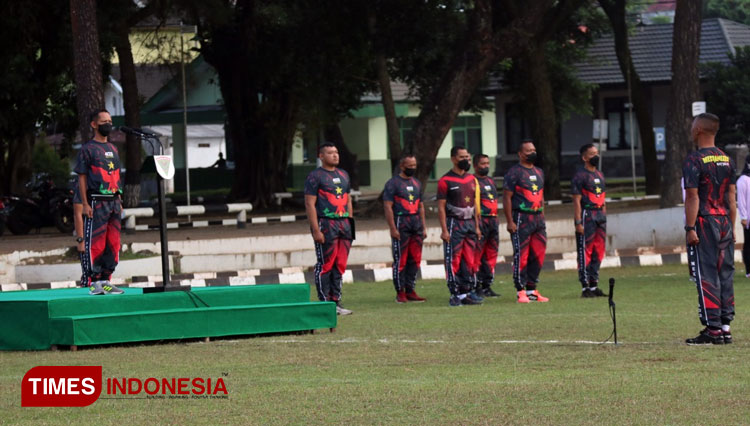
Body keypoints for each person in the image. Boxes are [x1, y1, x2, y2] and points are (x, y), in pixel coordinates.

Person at [683, 113, 736, 345]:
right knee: (726, 273)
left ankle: (712, 328)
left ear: (698, 131)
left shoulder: (694, 160)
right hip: (725, 221)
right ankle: (725, 326)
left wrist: (690, 227)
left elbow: (692, 197)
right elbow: (731, 197)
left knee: (706, 274)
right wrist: (732, 228)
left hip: (705, 222)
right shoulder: (727, 159)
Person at [74, 109, 124, 295]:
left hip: (114, 202)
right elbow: (82, 178)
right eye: (104, 121)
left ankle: (106, 279)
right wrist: (85, 203)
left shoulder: (113, 148)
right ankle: (93, 281)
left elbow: (116, 175)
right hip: (97, 201)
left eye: (110, 121)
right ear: (94, 124)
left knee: (114, 242)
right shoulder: (87, 149)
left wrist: (119, 199)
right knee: (96, 242)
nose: (108, 124)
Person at [304, 142, 354, 315]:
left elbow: (347, 200)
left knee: (340, 264)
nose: (335, 155)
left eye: (337, 152)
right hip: (326, 224)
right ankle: (324, 302)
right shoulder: (315, 176)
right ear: (321, 156)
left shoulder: (344, 175)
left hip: (344, 224)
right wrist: (315, 230)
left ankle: (336, 301)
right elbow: (310, 204)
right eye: (331, 153)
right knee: (326, 264)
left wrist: (350, 220)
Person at [503, 139, 549, 303]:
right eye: (529, 151)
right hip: (521, 217)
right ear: (520, 154)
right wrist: (510, 221)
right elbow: (507, 198)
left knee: (538, 254)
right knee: (521, 255)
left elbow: (541, 194)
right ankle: (520, 290)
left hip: (538, 219)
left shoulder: (539, 172)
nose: (532, 153)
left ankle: (532, 289)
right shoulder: (514, 173)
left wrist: (542, 213)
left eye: (534, 150)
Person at [438, 145, 483, 306]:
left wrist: (477, 226)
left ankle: (466, 293)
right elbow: (441, 207)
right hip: (454, 224)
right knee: (453, 260)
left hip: (470, 224)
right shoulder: (445, 181)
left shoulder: (472, 180)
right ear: (453, 159)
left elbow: (475, 206)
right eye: (462, 157)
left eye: (467, 157)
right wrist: (444, 230)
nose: (466, 160)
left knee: (469, 260)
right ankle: (454, 294)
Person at [383, 154, 427, 303]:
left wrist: (424, 226)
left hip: (416, 223)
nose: (412, 168)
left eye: (414, 165)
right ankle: (400, 292)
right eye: (410, 166)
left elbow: (421, 205)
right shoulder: (392, 183)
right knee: (400, 259)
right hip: (401, 222)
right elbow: (388, 207)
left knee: (415, 259)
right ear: (402, 166)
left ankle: (411, 289)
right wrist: (392, 228)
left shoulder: (417, 183)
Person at [571, 143, 608, 298]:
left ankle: (594, 285)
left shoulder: (599, 174)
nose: (596, 156)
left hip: (600, 215)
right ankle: (585, 286)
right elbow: (576, 201)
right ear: (584, 157)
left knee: (598, 251)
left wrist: (604, 215)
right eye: (592, 154)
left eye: (597, 153)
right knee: (585, 250)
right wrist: (578, 222)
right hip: (587, 215)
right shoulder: (580, 176)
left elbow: (603, 198)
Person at [473, 153, 501, 298]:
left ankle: (487, 285)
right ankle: (476, 285)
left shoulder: (491, 181)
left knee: (491, 254)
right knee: (477, 255)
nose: (486, 166)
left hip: (493, 221)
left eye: (487, 163)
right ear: (475, 165)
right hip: (481, 220)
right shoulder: (472, 181)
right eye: (482, 164)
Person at [72, 176, 90, 288]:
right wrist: (80, 240)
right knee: (88, 275)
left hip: (101, 232)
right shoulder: (82, 184)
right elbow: (78, 214)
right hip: (88, 236)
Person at [736, 153, 750, 278]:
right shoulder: (743, 180)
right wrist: (744, 217)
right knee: (748, 244)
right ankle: (748, 270)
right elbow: (741, 201)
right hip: (749, 219)